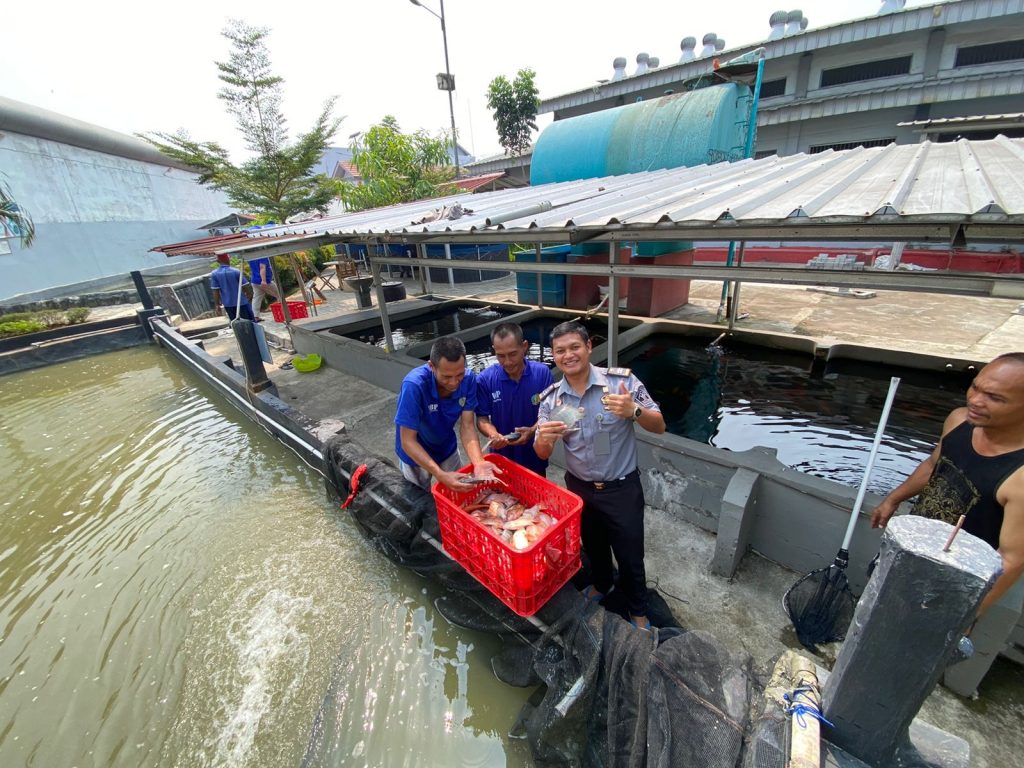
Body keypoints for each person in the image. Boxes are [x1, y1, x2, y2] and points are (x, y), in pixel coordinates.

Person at [870, 354, 1024, 692]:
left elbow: (1011, 559)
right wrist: (893, 499)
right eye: (975, 387)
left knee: (907, 664)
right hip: (910, 551)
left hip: (951, 583)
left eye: (994, 397)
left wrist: (963, 617)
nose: (975, 401)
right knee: (876, 623)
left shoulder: (1020, 476)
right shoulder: (959, 421)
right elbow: (933, 465)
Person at [534, 320, 666, 630]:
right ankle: (602, 584)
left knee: (631, 555)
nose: (569, 355)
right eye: (560, 350)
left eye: (575, 347)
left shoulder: (622, 384)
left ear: (589, 347)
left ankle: (638, 612)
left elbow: (659, 425)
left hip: (621, 488)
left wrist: (633, 411)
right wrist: (544, 438)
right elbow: (541, 453)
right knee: (592, 545)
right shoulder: (552, 399)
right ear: (553, 355)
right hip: (579, 487)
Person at [395, 336, 499, 492]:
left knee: (459, 493)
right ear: (431, 366)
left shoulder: (469, 380)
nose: (454, 382)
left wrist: (478, 462)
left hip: (446, 448)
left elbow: (467, 426)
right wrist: (439, 474)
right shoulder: (414, 385)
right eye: (446, 377)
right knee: (417, 501)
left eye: (459, 374)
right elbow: (407, 441)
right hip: (415, 455)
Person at [475, 323, 554, 476]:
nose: (507, 362)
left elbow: (550, 412)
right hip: (501, 458)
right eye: (501, 356)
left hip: (534, 456)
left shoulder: (542, 373)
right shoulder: (485, 379)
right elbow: (482, 418)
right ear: (494, 350)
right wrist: (493, 434)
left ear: (524, 346)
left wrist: (531, 431)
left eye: (512, 354)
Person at [210, 253, 255, 322]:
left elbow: (215, 291)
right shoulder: (236, 271)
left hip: (228, 305)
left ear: (218, 261)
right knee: (249, 323)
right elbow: (246, 286)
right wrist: (249, 296)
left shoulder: (214, 274)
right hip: (241, 302)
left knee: (236, 323)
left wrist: (217, 304)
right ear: (228, 259)